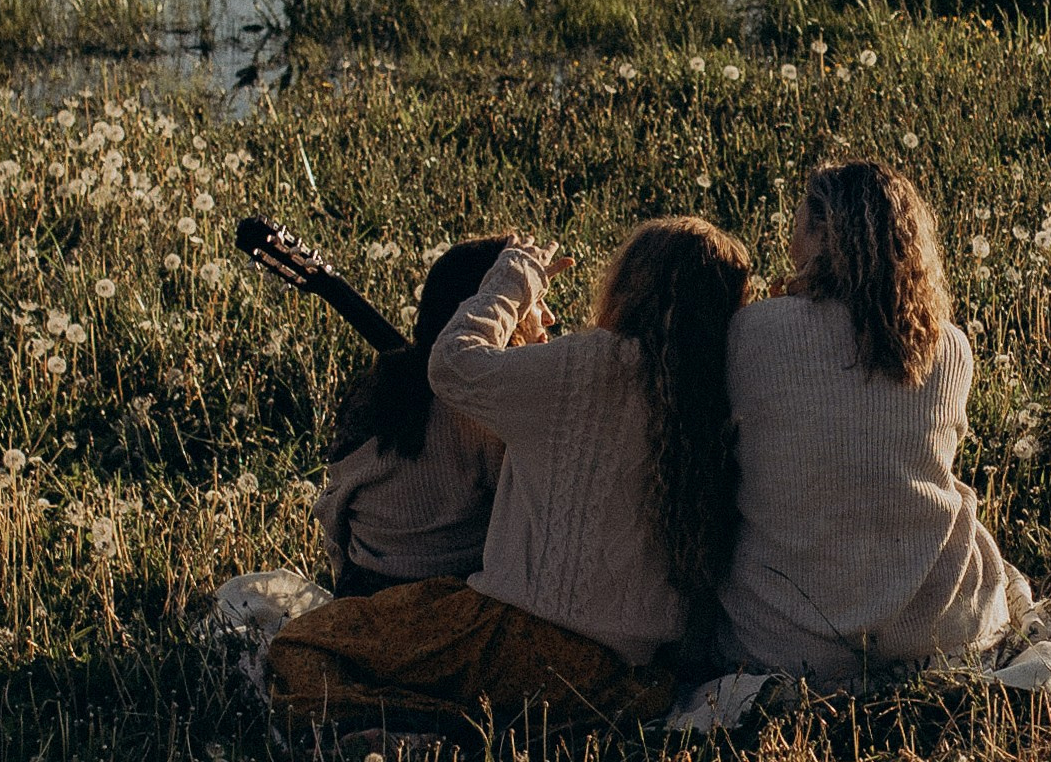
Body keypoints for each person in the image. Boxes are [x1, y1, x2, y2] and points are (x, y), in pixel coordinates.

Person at [267, 217, 752, 734]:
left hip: (515, 640)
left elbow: (451, 364)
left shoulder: (577, 370)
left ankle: (418, 723)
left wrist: (517, 275)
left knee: (299, 643)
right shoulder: (715, 394)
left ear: (630, 283)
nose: (549, 317)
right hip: (625, 668)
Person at [719, 157, 1014, 683]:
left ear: (816, 231)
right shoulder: (949, 346)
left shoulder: (751, 333)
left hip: (782, 638)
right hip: (938, 628)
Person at [315, 237, 509, 594]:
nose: (549, 317)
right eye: (532, 303)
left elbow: (334, 510)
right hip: (458, 606)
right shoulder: (484, 412)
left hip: (362, 598)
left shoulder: (376, 392)